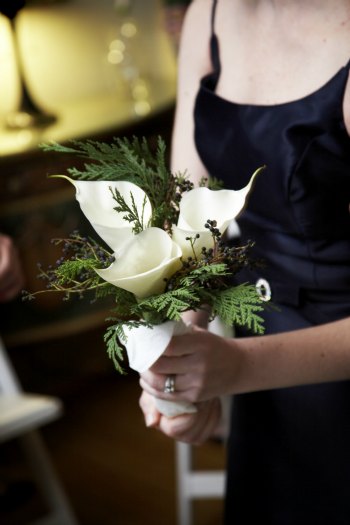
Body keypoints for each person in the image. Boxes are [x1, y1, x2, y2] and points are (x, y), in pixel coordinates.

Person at [139, 0, 350, 523]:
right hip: (263, 373)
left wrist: (237, 368)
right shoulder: (208, 15)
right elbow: (191, 226)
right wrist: (183, 361)